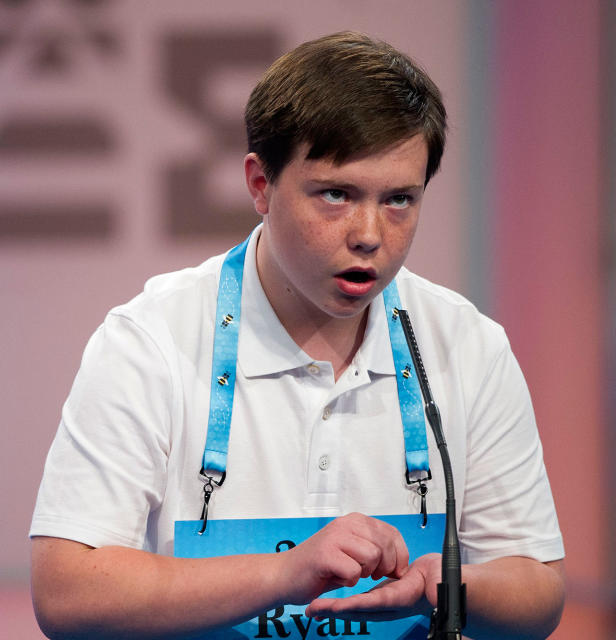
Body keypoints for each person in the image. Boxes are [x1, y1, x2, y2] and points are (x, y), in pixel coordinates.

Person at [29, 31, 565, 639]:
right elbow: (66, 590)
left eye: (399, 200)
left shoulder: (467, 345)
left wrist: (438, 587)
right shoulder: (149, 341)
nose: (369, 234)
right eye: (336, 194)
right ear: (260, 183)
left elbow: (537, 591)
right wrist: (283, 574)